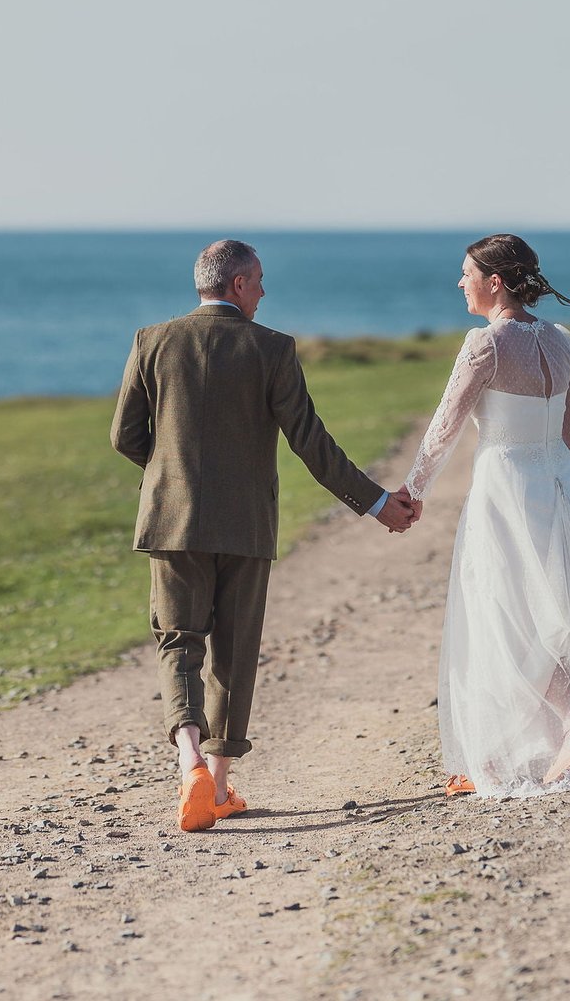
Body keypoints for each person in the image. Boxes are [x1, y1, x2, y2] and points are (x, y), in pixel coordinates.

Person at [112, 239, 419, 832]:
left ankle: (190, 765)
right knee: (235, 650)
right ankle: (220, 786)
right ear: (236, 286)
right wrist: (378, 503)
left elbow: (125, 436)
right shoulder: (272, 348)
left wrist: (171, 473)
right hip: (247, 522)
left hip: (172, 522)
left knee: (178, 640)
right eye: (258, 282)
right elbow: (311, 442)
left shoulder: (152, 340)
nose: (263, 292)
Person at [399, 234, 570, 798]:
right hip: (561, 482)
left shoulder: (484, 345)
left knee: (507, 611)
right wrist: (553, 474)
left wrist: (412, 490)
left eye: (466, 273)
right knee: (557, 608)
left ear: (494, 282)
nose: (459, 282)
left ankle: (566, 728)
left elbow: (444, 427)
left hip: (506, 487)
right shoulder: (562, 341)